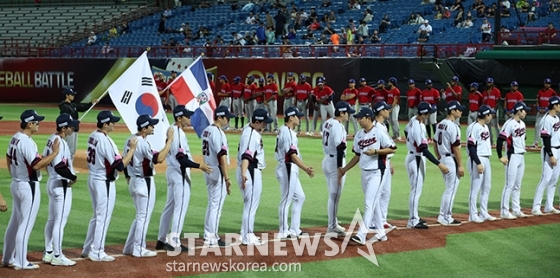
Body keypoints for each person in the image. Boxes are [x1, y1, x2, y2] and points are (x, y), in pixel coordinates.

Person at [3, 110, 59, 270]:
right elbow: (36, 165)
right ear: (29, 124)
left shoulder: (15, 137)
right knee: (25, 225)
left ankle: (8, 258)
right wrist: (54, 153)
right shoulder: (26, 141)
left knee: (14, 223)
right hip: (28, 186)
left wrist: (14, 174)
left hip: (16, 183)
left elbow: (8, 157)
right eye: (36, 122)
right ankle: (21, 261)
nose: (39, 124)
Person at [83, 110, 136, 262]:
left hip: (93, 178)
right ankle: (98, 251)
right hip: (103, 182)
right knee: (103, 217)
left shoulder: (92, 135)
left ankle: (88, 249)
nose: (114, 123)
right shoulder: (105, 140)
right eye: (112, 121)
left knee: (97, 216)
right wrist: (132, 149)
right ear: (105, 124)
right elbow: (119, 165)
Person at [156, 106, 212, 252]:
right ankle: (174, 242)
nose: (189, 118)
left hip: (173, 172)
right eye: (187, 116)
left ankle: (161, 239)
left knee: (169, 207)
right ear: (179, 118)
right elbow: (181, 159)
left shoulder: (173, 130)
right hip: (179, 173)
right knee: (180, 209)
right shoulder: (177, 133)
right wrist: (199, 165)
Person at [339, 106, 396, 245]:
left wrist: (376, 151)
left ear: (368, 118)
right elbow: (357, 155)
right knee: (373, 203)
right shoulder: (359, 134)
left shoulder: (379, 132)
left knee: (369, 203)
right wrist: (345, 169)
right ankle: (381, 233)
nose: (358, 120)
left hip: (378, 171)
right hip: (364, 172)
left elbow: (393, 148)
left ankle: (361, 235)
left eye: (360, 117)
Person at [122, 115, 173, 258]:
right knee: (143, 217)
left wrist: (128, 176)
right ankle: (139, 248)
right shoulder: (143, 143)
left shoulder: (129, 139)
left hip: (133, 180)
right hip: (144, 182)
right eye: (151, 125)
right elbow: (160, 159)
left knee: (139, 216)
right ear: (144, 128)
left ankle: (129, 246)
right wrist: (169, 141)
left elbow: (123, 161)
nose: (153, 127)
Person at [41, 114, 79, 267]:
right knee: (59, 221)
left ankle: (49, 252)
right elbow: (59, 166)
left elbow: (44, 158)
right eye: (71, 126)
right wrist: (72, 177)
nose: (73, 128)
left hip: (52, 182)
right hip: (60, 184)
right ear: (64, 128)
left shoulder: (51, 138)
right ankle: (57, 254)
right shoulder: (60, 143)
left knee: (52, 219)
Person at [405, 102, 450, 229]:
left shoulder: (414, 119)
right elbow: (424, 150)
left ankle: (415, 216)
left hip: (413, 156)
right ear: (424, 114)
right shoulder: (418, 128)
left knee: (416, 189)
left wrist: (411, 142)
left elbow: (405, 130)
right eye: (429, 112)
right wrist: (439, 164)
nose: (431, 114)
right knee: (415, 191)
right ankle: (413, 220)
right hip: (416, 158)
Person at [276, 107, 315, 239]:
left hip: (288, 167)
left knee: (300, 197)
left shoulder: (285, 130)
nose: (300, 118)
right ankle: (283, 231)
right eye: (297, 116)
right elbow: (291, 154)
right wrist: (306, 168)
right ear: (291, 117)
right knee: (286, 200)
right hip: (287, 167)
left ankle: (294, 229)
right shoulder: (287, 132)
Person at [237, 108, 273, 245]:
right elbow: (247, 155)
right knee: (251, 205)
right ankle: (248, 236)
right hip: (250, 171)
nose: (265, 125)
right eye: (263, 123)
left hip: (248, 170)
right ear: (256, 121)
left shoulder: (248, 129)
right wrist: (244, 173)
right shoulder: (252, 135)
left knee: (249, 204)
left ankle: (244, 233)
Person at [202, 106, 235, 247]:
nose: (228, 120)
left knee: (212, 204)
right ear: (220, 117)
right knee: (216, 206)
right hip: (217, 170)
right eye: (227, 118)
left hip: (208, 168)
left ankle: (208, 235)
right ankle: (212, 238)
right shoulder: (218, 133)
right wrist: (227, 178)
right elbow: (222, 156)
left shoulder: (206, 130)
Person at [322, 101, 355, 237]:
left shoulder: (328, 122)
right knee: (334, 196)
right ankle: (332, 226)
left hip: (327, 160)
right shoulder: (338, 126)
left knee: (333, 195)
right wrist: (340, 169)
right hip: (336, 161)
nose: (349, 115)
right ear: (341, 113)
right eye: (347, 112)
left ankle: (333, 221)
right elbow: (340, 148)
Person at [497, 102, 531, 220]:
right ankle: (504, 211)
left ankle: (516, 209)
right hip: (512, 156)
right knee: (509, 185)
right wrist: (500, 156)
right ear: (518, 111)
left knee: (517, 185)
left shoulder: (522, 124)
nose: (526, 112)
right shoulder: (509, 124)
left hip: (521, 156)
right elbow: (500, 139)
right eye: (524, 110)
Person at [434, 101, 465, 226]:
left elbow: (435, 142)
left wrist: (439, 157)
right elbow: (456, 147)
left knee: (449, 189)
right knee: (450, 190)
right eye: (459, 109)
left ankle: (446, 215)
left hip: (444, 158)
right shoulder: (453, 126)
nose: (461, 111)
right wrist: (461, 165)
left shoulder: (440, 124)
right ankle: (444, 216)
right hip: (451, 160)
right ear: (452, 111)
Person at [467, 105, 498, 223]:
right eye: (490, 114)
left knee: (487, 187)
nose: (492, 116)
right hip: (477, 158)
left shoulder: (485, 126)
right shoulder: (474, 127)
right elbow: (471, 146)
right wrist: (478, 163)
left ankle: (484, 212)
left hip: (486, 158)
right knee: (475, 188)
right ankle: (473, 214)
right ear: (486, 115)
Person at [532, 96, 560, 215]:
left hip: (558, 149)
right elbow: (545, 138)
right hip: (550, 150)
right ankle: (536, 207)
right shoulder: (546, 119)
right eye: (559, 104)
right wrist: (551, 155)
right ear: (554, 105)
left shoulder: (556, 118)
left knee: (554, 179)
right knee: (546, 179)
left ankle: (549, 205)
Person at [58, 88, 98, 161]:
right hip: (69, 130)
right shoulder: (64, 107)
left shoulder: (72, 105)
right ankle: (68, 167)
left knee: (72, 150)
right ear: (67, 95)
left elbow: (82, 108)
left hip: (75, 129)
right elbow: (65, 119)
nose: (73, 96)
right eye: (72, 94)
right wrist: (74, 121)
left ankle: (69, 167)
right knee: (70, 150)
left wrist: (92, 103)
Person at [532, 78, 556, 148]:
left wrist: (546, 109)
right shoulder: (540, 92)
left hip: (548, 112)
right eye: (546, 83)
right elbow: (537, 101)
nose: (547, 85)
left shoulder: (553, 92)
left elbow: (553, 103)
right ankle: (535, 142)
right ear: (544, 84)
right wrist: (538, 108)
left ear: (550, 84)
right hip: (540, 111)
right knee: (537, 126)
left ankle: (548, 143)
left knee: (547, 128)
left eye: (548, 83)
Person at [482, 77, 501, 146]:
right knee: (488, 126)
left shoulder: (496, 91)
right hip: (487, 110)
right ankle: (490, 142)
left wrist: (495, 111)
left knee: (496, 126)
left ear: (492, 83)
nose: (488, 84)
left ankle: (499, 141)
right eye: (487, 82)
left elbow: (498, 102)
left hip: (493, 109)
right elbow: (484, 102)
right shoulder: (484, 92)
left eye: (490, 82)